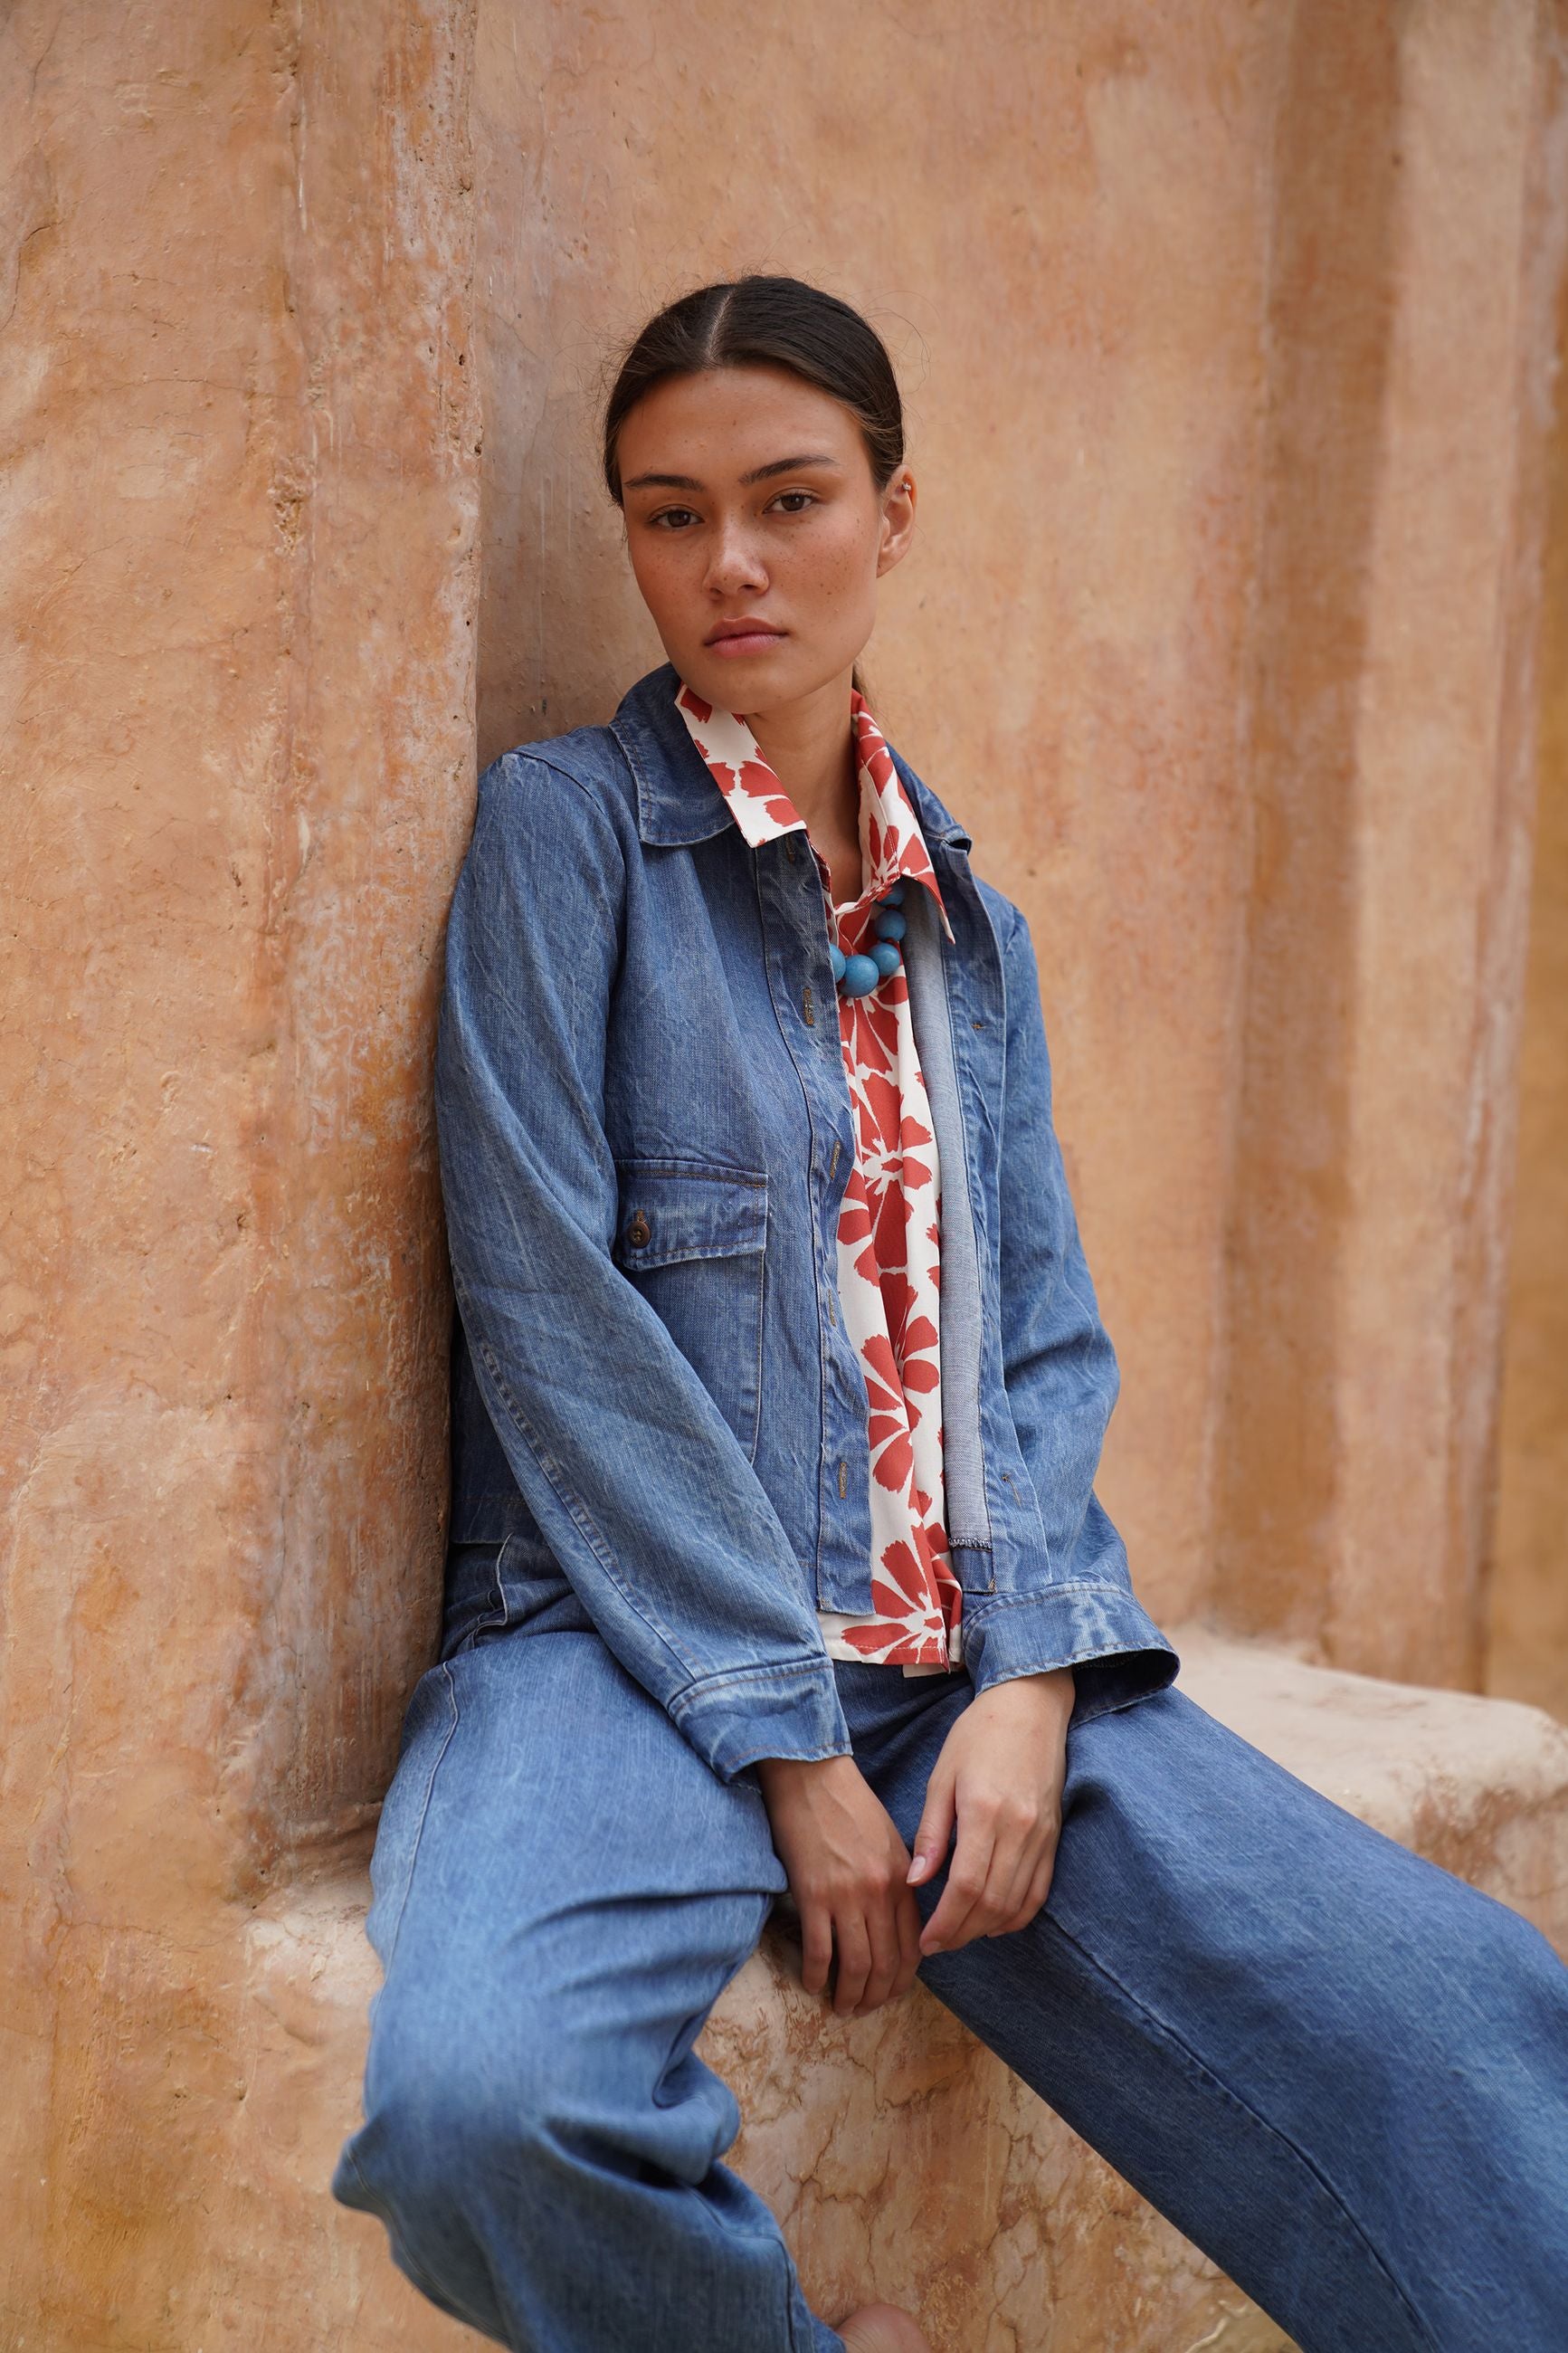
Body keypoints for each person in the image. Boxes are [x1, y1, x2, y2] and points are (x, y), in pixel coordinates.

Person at [332, 274, 1568, 2353]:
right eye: (669, 514)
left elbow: (1041, 1344)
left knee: (1467, 2029)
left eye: (789, 499)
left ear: (892, 516)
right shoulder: (569, 837)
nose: (729, 563)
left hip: (955, 1665)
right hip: (621, 1655)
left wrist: (1036, 1675)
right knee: (484, 2109)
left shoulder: (964, 922)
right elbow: (550, 1319)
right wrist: (784, 1730)